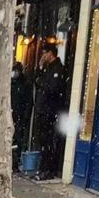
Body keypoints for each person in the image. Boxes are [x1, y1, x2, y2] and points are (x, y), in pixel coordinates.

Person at [33, 42, 66, 180]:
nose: (42, 56)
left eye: (44, 53)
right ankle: (42, 168)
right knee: (42, 140)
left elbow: (52, 89)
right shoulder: (47, 69)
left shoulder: (57, 69)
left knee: (48, 141)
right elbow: (37, 80)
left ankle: (48, 170)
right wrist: (40, 69)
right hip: (43, 110)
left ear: (50, 53)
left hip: (50, 112)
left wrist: (41, 81)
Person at [11, 61, 33, 170]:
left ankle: (15, 161)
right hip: (12, 115)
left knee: (17, 140)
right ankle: (12, 160)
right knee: (12, 139)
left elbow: (29, 102)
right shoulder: (11, 83)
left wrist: (25, 117)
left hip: (19, 116)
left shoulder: (25, 84)